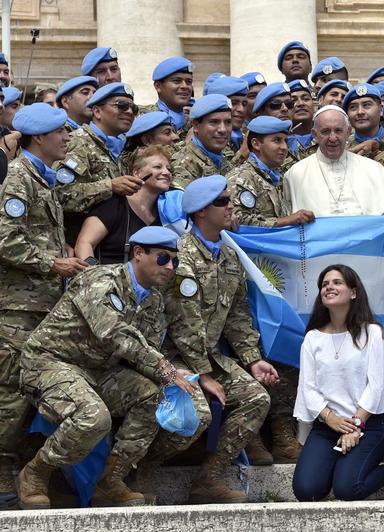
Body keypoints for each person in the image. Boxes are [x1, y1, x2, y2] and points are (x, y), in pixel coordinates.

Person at [16, 226, 196, 509]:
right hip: (50, 362)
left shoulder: (153, 300)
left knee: (154, 395)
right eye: (163, 258)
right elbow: (112, 332)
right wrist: (164, 367)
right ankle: (36, 473)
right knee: (94, 416)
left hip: (97, 370)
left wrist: (172, 373)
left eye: (175, 261)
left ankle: (110, 480)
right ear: (138, 253)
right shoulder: (100, 279)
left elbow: (146, 350)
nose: (170, 266)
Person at [163, 174, 278, 504]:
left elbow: (238, 317)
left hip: (209, 356)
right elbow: (181, 326)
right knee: (197, 409)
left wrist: (253, 359)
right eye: (223, 202)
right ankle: (140, 471)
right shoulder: (181, 257)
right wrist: (205, 376)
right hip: (172, 358)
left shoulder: (228, 256)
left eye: (230, 200)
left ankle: (208, 478)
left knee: (257, 397)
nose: (232, 207)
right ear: (200, 212)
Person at [0, 103, 88, 508]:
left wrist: (60, 250)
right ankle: (3, 467)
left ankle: (29, 466)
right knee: (12, 389)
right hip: (19, 307)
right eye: (61, 132)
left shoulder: (43, 178)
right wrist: (52, 262)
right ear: (39, 138)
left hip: (43, 304)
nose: (67, 138)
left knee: (33, 385)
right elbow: (7, 239)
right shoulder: (19, 178)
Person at [292, 265, 384, 501]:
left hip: (368, 426)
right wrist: (331, 419)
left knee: (348, 490)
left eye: (337, 282)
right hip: (328, 426)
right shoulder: (312, 338)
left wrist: (356, 425)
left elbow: (377, 385)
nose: (329, 287)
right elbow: (308, 387)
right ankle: (337, 464)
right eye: (325, 284)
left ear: (354, 292)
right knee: (307, 491)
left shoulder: (373, 333)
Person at [55, 82, 143, 244]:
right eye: (121, 106)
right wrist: (110, 186)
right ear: (97, 111)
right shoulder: (78, 143)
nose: (129, 111)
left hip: (112, 243)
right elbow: (61, 195)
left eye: (133, 108)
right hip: (78, 247)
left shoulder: (122, 148)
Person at [284, 105, 384, 216]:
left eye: (338, 131)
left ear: (348, 132)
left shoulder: (374, 169)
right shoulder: (295, 174)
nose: (333, 138)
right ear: (315, 134)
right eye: (325, 131)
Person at [75, 145, 171, 264]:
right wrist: (94, 276)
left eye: (169, 169)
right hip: (107, 279)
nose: (166, 172)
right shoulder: (114, 203)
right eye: (158, 167)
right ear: (137, 173)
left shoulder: (166, 213)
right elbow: (84, 243)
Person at [228, 115, 315, 228]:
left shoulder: (278, 176)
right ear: (256, 144)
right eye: (277, 140)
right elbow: (239, 221)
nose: (284, 147)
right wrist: (287, 221)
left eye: (285, 141)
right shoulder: (241, 177)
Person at [170, 94, 234, 188]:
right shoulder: (183, 166)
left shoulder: (219, 156)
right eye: (214, 122)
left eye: (228, 122)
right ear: (196, 126)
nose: (223, 129)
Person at [138, 56, 194, 140]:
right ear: (158, 86)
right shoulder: (143, 116)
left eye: (189, 82)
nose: (184, 86)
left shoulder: (198, 120)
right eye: (176, 81)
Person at [343, 83, 384, 156]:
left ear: (381, 109)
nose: (360, 112)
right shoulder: (341, 147)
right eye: (353, 107)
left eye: (366, 105)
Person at [206, 76, 249, 153]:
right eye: (233, 103)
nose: (241, 109)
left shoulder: (243, 136)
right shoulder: (208, 137)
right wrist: (243, 153)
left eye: (244, 104)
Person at [287, 79, 316, 162]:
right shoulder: (280, 140)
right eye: (293, 100)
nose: (300, 103)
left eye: (306, 99)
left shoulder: (326, 134)